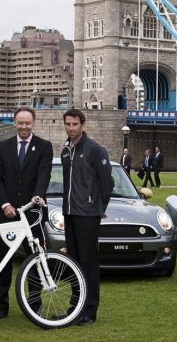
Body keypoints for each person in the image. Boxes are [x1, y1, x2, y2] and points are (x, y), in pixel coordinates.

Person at [0, 107, 53, 321]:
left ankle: (34, 304)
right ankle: (1, 306)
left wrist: (37, 197)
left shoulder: (44, 147)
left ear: (33, 123)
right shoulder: (4, 147)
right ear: (14, 123)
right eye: (20, 123)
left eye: (27, 123)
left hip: (32, 212)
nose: (24, 127)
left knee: (36, 259)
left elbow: (44, 175)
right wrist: (5, 204)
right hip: (7, 213)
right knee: (3, 261)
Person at [60, 108, 113, 327]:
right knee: (73, 262)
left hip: (88, 214)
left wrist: (100, 206)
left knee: (88, 263)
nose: (71, 128)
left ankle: (89, 310)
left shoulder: (95, 150)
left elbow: (107, 182)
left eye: (74, 124)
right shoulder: (65, 150)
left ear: (83, 125)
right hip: (70, 212)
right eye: (68, 124)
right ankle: (75, 307)